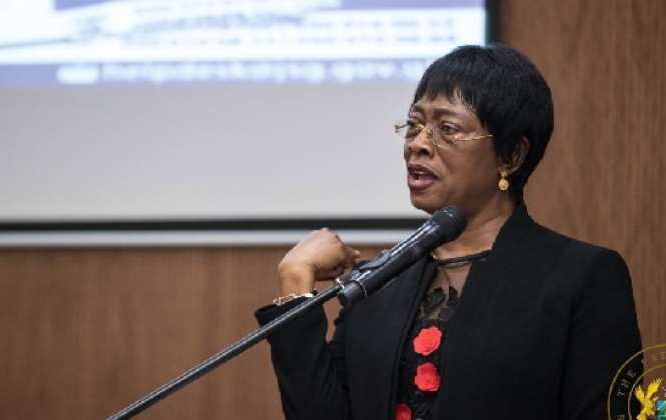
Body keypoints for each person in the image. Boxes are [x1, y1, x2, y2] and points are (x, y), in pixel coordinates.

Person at [254, 44, 642, 420]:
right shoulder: (379, 283)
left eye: (447, 128)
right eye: (414, 125)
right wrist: (296, 278)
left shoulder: (580, 277)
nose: (418, 144)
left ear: (512, 155)